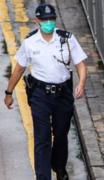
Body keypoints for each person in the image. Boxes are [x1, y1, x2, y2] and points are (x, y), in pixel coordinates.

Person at [3, 3, 87, 180]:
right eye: (45, 20)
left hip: (63, 93)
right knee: (42, 139)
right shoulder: (30, 42)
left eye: (52, 20)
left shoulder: (67, 39)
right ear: (37, 21)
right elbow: (19, 69)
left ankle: (58, 166)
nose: (49, 23)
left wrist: (82, 83)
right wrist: (9, 92)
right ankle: (43, 176)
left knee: (61, 133)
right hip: (40, 94)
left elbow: (80, 63)